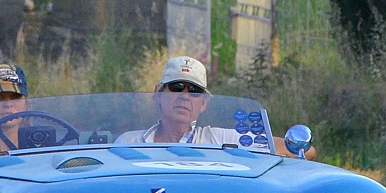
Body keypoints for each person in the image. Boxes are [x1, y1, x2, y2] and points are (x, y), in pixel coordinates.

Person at [116, 56, 316, 159]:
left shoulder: (219, 140)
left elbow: (305, 150)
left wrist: (296, 146)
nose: (185, 97)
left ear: (203, 104)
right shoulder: (128, 141)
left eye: (194, 91)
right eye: (176, 88)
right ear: (158, 95)